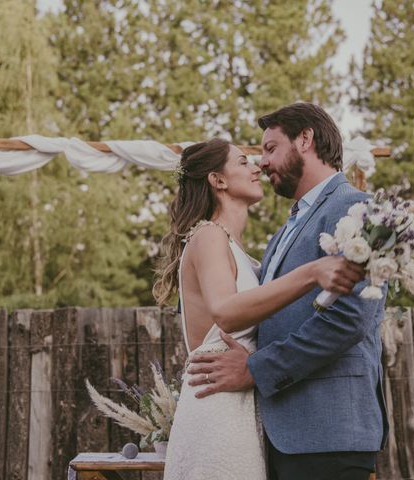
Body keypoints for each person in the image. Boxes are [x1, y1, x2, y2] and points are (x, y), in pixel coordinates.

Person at [188, 103, 389, 480]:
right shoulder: (285, 230)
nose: (262, 163)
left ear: (305, 140)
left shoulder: (356, 208)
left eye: (269, 148)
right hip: (280, 433)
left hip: (328, 431)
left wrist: (255, 369)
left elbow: (349, 320)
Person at [153, 137, 365, 480]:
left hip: (242, 403)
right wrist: (313, 272)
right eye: (243, 162)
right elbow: (224, 310)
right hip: (217, 401)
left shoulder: (242, 252)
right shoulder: (207, 235)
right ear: (217, 180)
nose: (257, 168)